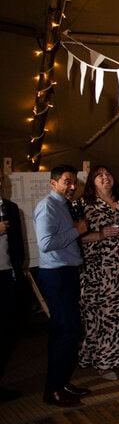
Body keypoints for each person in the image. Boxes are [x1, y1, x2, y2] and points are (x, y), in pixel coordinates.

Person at [74, 165, 119, 380]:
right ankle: (105, 363)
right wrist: (100, 234)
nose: (105, 178)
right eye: (99, 175)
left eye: (108, 174)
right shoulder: (82, 204)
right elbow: (75, 235)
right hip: (99, 269)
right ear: (92, 181)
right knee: (106, 313)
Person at [33, 164, 91, 407]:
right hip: (56, 274)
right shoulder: (47, 206)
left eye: (74, 182)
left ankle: (62, 383)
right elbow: (45, 243)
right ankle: (53, 389)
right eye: (67, 181)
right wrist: (76, 231)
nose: (72, 186)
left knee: (68, 331)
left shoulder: (64, 206)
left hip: (66, 272)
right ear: (53, 183)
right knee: (66, 331)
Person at [0, 172, 26, 402]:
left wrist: (18, 270)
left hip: (7, 276)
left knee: (7, 333)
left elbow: (17, 244)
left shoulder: (10, 207)